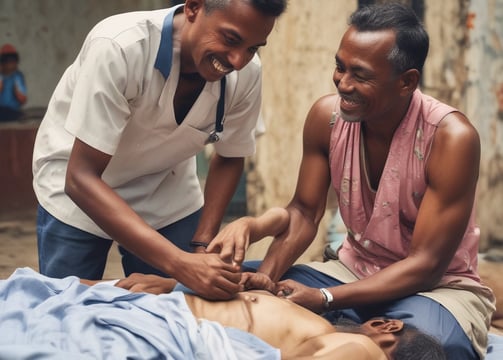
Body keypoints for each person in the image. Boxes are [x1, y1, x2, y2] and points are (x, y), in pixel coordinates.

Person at [206, 3, 495, 359]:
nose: (343, 83)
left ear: (407, 82)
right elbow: (303, 213)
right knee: (221, 288)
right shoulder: (325, 118)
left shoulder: (451, 138)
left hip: (436, 289)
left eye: (360, 75)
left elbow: (425, 265)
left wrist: (325, 299)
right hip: (350, 271)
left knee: (427, 347)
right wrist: (266, 281)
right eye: (339, 67)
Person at [31, 0, 286, 300]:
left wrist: (201, 246)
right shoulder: (120, 47)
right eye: (231, 39)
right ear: (193, 8)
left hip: (167, 192)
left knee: (178, 307)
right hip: (79, 189)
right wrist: (179, 263)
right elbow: (80, 177)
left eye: (253, 48)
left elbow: (231, 156)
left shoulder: (246, 74)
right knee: (66, 307)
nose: (238, 60)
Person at [0, 267, 446, 360]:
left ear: (388, 326)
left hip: (174, 328)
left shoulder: (364, 349)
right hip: (163, 312)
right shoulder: (324, 330)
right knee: (46, 299)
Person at [0, 43, 27, 121]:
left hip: (13, 111)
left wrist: (16, 90)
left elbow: (23, 99)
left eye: (13, 61)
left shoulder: (17, 76)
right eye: (8, 61)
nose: (11, 64)